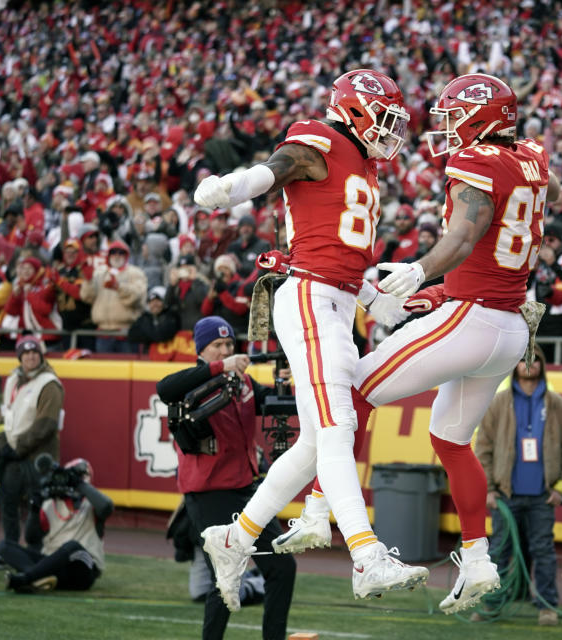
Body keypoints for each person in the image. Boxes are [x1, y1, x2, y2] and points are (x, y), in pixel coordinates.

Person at [276, 73, 560, 616]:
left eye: (455, 116)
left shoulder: (477, 164)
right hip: (507, 325)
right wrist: (439, 291)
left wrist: (419, 271)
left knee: (348, 393)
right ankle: (477, 561)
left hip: (473, 320)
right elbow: (500, 244)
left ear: (482, 119)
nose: (447, 127)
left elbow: (464, 237)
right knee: (451, 442)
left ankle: (316, 510)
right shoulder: (531, 159)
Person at [192, 69, 427, 611]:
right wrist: (233, 188)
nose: (391, 132)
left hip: (337, 302)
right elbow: (275, 171)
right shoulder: (319, 140)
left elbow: (338, 255)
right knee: (338, 424)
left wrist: (374, 299)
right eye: (385, 118)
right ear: (355, 109)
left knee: (315, 442)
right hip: (311, 301)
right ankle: (366, 556)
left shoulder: (362, 162)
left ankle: (236, 537)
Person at [156, 315, 295, 640]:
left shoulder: (242, 382)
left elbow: (267, 402)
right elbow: (164, 388)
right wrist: (223, 366)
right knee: (225, 576)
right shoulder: (193, 381)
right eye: (217, 345)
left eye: (229, 344)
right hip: (210, 496)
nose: (224, 349)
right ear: (201, 349)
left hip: (247, 490)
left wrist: (285, 383)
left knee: (282, 568)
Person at [473, 345, 562, 626]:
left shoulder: (557, 404)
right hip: (505, 495)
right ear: (514, 366)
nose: (529, 364)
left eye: (535, 359)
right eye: (523, 359)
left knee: (544, 552)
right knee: (499, 553)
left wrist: (561, 487)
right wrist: (490, 489)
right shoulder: (498, 402)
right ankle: (492, 605)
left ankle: (547, 607)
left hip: (543, 495)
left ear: (543, 365)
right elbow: (483, 448)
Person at [0, 458, 113, 593]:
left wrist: (78, 483)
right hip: (52, 567)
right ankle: (39, 578)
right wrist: (35, 509)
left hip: (81, 568)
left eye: (83, 475)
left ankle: (26, 578)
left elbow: (106, 506)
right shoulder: (49, 503)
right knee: (4, 546)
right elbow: (31, 539)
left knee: (72, 546)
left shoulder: (92, 504)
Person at [0, 335, 64, 552]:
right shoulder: (13, 379)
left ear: (41, 355)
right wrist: (2, 443)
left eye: (35, 352)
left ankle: (36, 551)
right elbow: (3, 415)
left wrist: (18, 448)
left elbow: (46, 425)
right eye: (26, 353)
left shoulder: (50, 383)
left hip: (38, 457)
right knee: (8, 500)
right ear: (19, 357)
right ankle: (11, 548)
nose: (31, 356)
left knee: (38, 506)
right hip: (14, 453)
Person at [80, 239, 147, 353]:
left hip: (126, 333)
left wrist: (118, 287)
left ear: (126, 255)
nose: (117, 256)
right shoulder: (99, 273)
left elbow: (137, 297)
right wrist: (88, 280)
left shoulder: (136, 273)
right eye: (114, 252)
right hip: (103, 333)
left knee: (127, 369)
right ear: (109, 255)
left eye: (121, 253)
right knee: (103, 370)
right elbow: (86, 297)